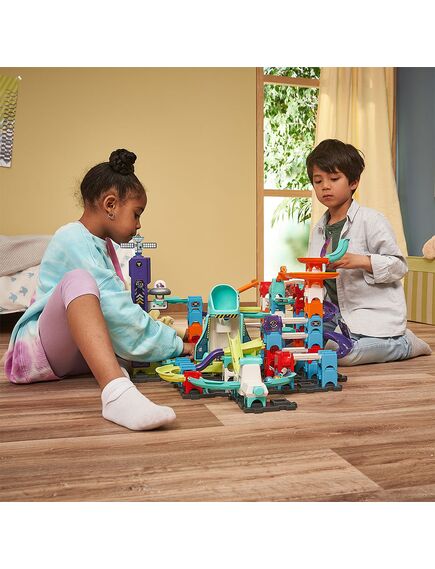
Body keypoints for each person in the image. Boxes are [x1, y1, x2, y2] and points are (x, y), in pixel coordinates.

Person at [4, 149, 195, 430]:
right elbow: (116, 311)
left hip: (71, 354)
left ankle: (118, 375)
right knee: (79, 281)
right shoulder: (71, 237)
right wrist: (177, 345)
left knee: (124, 341)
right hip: (37, 352)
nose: (139, 224)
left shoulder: (101, 246)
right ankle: (116, 393)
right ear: (110, 204)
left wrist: (175, 336)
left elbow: (118, 307)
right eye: (136, 214)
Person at [306, 138, 432, 366]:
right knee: (303, 344)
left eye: (334, 179)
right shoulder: (318, 230)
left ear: (353, 182)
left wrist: (362, 261)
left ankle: (404, 343)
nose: (325, 186)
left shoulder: (372, 220)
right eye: (318, 180)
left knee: (341, 355)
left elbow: (399, 267)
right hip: (334, 314)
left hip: (370, 313)